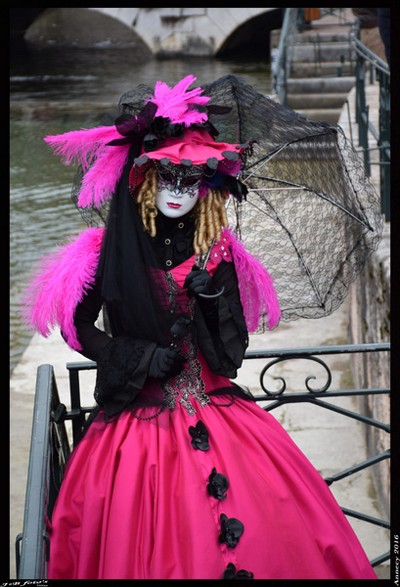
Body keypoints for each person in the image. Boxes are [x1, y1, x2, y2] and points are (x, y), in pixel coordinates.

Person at [24, 75, 377, 580]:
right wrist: (138, 356)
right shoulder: (110, 251)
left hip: (216, 406)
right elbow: (79, 328)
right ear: (144, 179)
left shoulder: (219, 253)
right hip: (136, 424)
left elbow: (230, 358)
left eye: (191, 181)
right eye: (168, 177)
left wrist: (212, 304)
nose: (178, 191)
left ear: (208, 187)